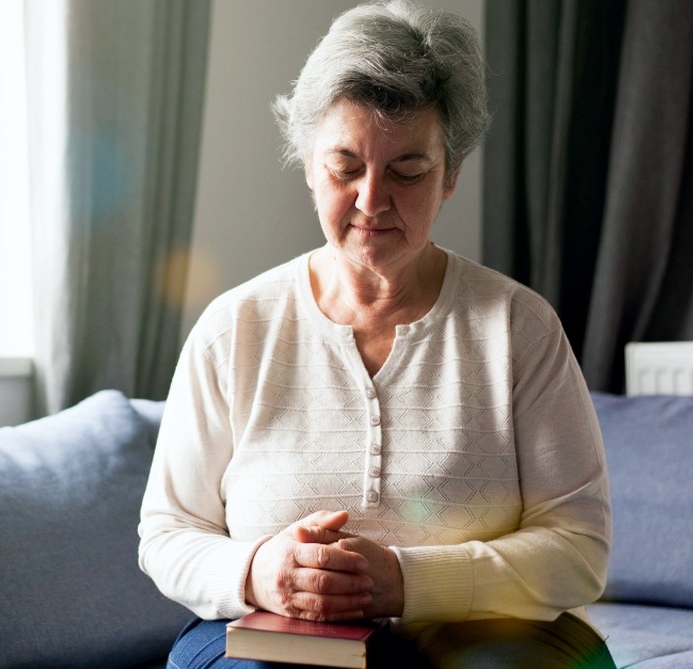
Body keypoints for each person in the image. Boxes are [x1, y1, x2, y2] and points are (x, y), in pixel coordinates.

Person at [137, 1, 616, 667]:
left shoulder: (518, 328)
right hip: (274, 635)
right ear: (307, 164)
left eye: (408, 170)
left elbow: (578, 548)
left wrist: (404, 579)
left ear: (451, 174)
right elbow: (167, 532)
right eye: (345, 165)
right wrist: (260, 570)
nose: (371, 200)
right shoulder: (235, 329)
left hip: (484, 634)